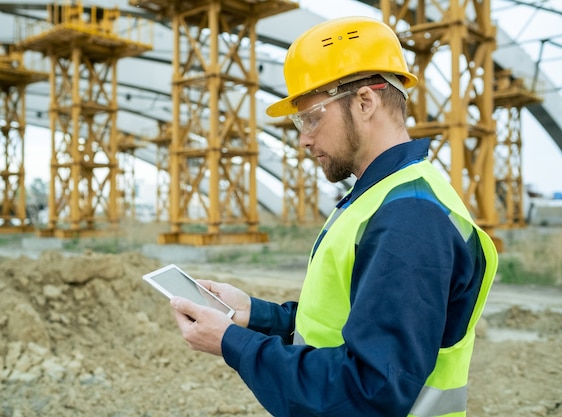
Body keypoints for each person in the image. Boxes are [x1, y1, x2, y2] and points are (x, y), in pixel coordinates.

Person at [169, 15, 499, 417]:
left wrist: (231, 342)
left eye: (311, 117)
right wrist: (255, 314)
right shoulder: (377, 199)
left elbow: (368, 390)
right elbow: (345, 325)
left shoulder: (409, 217)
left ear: (365, 102)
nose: (304, 138)